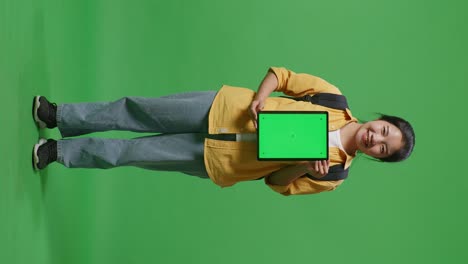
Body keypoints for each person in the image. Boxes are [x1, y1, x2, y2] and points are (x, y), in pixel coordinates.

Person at [32, 67, 415, 196]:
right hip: (222, 108)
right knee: (135, 110)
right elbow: (282, 75)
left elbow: (276, 184)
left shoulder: (334, 175)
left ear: (378, 157)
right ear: (381, 120)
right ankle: (60, 116)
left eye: (383, 148)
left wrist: (302, 166)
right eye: (384, 131)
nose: (376, 139)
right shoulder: (333, 98)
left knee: (131, 154)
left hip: (219, 161)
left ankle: (59, 153)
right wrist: (260, 100)